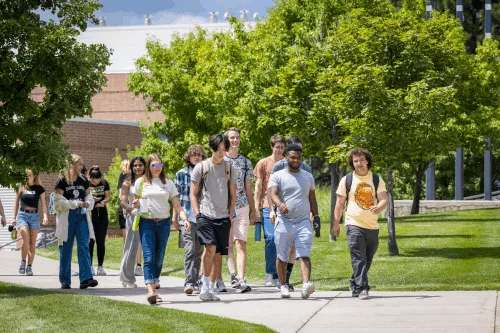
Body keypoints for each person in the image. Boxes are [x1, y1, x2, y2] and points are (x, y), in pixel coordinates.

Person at [132, 153, 189, 305]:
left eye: (159, 165)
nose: (157, 168)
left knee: (159, 257)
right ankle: (151, 291)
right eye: (154, 165)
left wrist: (184, 219)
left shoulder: (168, 183)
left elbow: (176, 205)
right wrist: (135, 205)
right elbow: (135, 202)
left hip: (163, 224)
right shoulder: (141, 182)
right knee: (149, 256)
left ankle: (155, 280)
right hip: (147, 222)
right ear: (148, 167)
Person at [333, 148, 388, 300]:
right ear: (352, 163)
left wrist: (380, 206)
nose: (359, 163)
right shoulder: (347, 180)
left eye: (362, 160)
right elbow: (339, 204)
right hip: (353, 224)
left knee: (367, 258)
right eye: (355, 161)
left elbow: (383, 199)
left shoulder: (376, 179)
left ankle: (354, 282)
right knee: (358, 257)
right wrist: (336, 224)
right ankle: (363, 288)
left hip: (372, 226)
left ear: (367, 161)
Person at [190, 134, 237, 302]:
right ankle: (204, 286)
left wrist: (230, 214)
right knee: (210, 248)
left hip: (223, 216)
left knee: (218, 254)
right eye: (217, 149)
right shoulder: (201, 167)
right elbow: (193, 194)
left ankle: (211, 287)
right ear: (212, 149)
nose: (220, 153)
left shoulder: (229, 168)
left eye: (223, 149)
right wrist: (198, 215)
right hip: (206, 215)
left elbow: (233, 195)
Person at [268, 144, 318, 299]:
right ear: (286, 157)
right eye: (292, 157)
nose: (296, 160)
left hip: (303, 221)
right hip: (284, 221)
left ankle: (305, 285)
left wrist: (316, 217)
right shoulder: (278, 175)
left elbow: (312, 199)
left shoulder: (308, 176)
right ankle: (283, 285)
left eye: (298, 158)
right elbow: (273, 194)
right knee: (282, 256)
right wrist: (279, 205)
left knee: (304, 253)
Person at [53, 154, 98, 290]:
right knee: (66, 249)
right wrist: (75, 203)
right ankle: (65, 280)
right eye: (79, 164)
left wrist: (87, 203)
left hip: (81, 217)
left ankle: (86, 278)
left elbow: (90, 197)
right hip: (67, 217)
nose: (82, 167)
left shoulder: (84, 180)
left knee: (84, 245)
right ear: (71, 165)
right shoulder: (62, 181)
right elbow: (57, 203)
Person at [221, 127, 256, 293]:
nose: (235, 140)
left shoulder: (245, 162)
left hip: (242, 207)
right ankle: (233, 275)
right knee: (227, 245)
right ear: (227, 140)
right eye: (232, 138)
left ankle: (241, 279)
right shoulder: (221, 161)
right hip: (225, 208)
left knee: (240, 243)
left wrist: (253, 209)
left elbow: (249, 187)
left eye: (237, 138)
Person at [173, 145, 207, 295]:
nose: (197, 157)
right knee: (189, 250)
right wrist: (175, 216)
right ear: (189, 157)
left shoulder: (206, 174)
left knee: (199, 251)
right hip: (186, 217)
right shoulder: (180, 174)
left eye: (199, 155)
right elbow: (176, 198)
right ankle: (189, 282)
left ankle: (196, 280)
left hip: (202, 216)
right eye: (194, 155)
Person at [254, 134, 286, 288]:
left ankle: (280, 276)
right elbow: (258, 186)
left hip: (285, 207)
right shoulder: (263, 163)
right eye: (277, 147)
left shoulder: (288, 163)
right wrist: (256, 207)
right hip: (267, 206)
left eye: (282, 147)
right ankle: (269, 273)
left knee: (283, 240)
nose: (279, 150)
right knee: (271, 238)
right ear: (272, 147)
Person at [11, 170, 49, 275]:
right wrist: (14, 217)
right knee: (26, 240)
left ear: (34, 177)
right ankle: (23, 262)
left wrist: (45, 216)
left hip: (35, 216)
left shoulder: (40, 189)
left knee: (32, 243)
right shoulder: (20, 186)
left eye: (29, 175)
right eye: (26, 175)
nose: (27, 177)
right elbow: (16, 204)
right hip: (23, 215)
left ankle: (29, 267)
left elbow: (44, 205)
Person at [119, 157, 146, 288]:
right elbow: (123, 200)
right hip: (133, 216)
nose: (137, 167)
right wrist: (127, 207)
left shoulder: (149, 181)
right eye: (134, 165)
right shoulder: (127, 183)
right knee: (131, 246)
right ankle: (127, 278)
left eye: (140, 165)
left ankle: (153, 279)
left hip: (148, 217)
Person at [88, 166, 110, 276]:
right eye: (92, 179)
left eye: (96, 179)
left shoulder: (104, 182)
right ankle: (90, 266)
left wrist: (103, 202)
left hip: (102, 214)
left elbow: (108, 197)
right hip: (90, 214)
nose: (95, 181)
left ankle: (100, 266)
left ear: (100, 178)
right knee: (91, 241)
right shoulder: (86, 184)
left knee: (100, 241)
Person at [117, 159, 129, 240]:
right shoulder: (122, 175)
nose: (122, 168)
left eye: (124, 166)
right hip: (123, 202)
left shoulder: (133, 176)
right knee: (123, 226)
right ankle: (125, 249)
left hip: (131, 202)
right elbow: (120, 190)